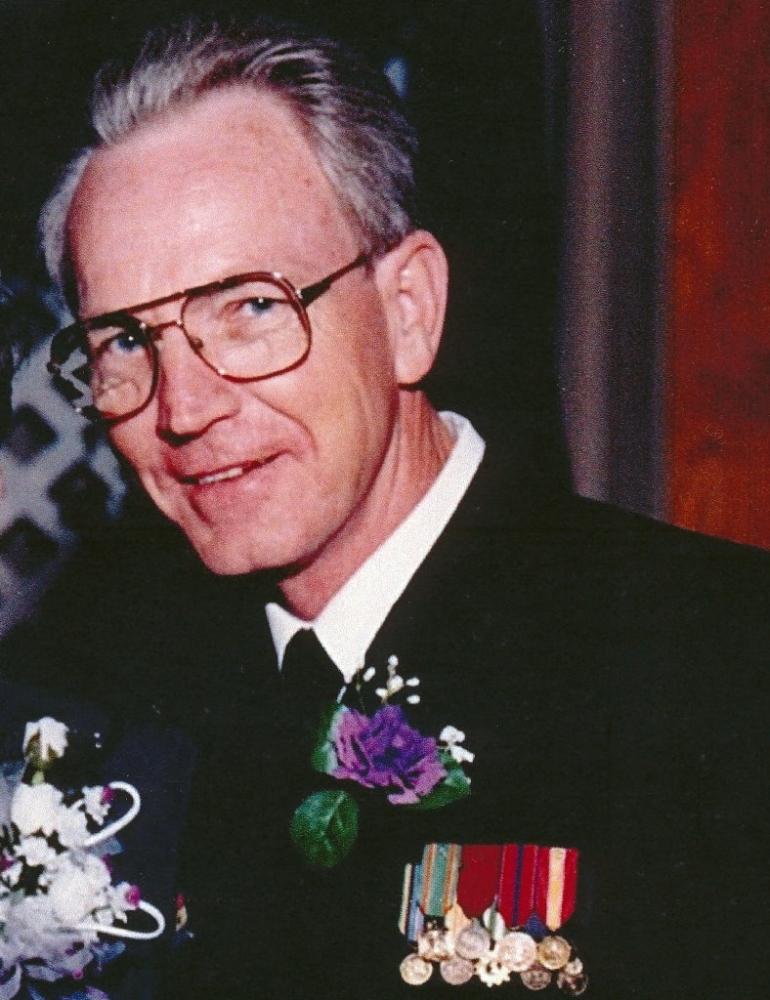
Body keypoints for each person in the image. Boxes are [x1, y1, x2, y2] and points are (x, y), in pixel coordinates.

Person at [8, 17, 770, 1000]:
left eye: (249, 308)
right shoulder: (83, 699)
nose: (183, 408)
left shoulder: (714, 662)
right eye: (123, 341)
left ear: (408, 310)